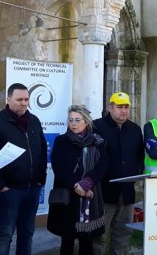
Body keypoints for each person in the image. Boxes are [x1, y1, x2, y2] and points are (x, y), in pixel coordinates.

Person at [0, 83, 47, 255]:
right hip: (9, 190)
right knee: (5, 233)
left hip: (33, 188)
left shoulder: (34, 121)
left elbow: (42, 150)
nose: (24, 103)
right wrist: (0, 185)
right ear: (9, 99)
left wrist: (41, 179)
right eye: (19, 99)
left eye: (26, 99)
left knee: (27, 234)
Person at [48, 105, 109, 255]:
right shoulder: (61, 141)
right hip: (68, 198)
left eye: (77, 120)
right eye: (70, 120)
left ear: (86, 122)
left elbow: (102, 165)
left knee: (87, 241)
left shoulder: (97, 142)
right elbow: (59, 168)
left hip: (90, 197)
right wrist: (77, 186)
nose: (73, 123)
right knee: (67, 241)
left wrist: (87, 184)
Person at [92, 92, 144, 255]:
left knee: (123, 233)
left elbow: (139, 157)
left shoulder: (135, 130)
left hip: (127, 192)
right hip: (103, 193)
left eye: (126, 107)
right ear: (110, 107)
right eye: (119, 107)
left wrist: (136, 175)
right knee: (98, 234)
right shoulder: (96, 127)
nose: (124, 111)